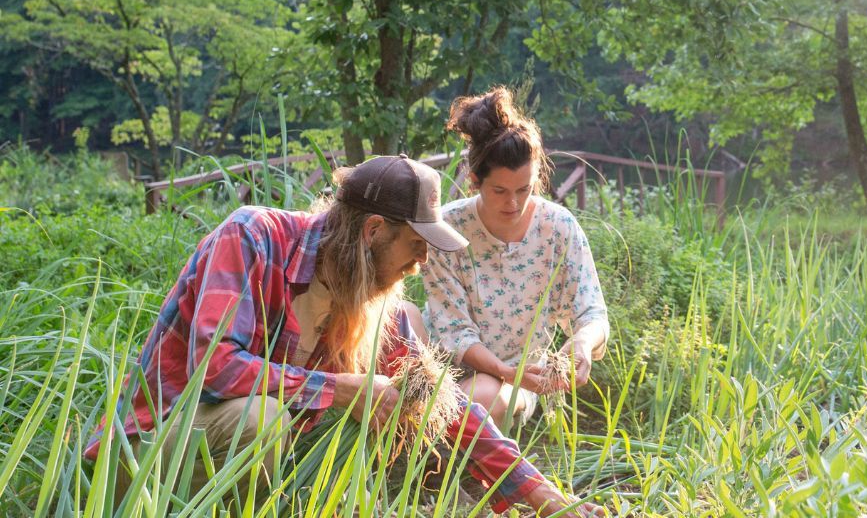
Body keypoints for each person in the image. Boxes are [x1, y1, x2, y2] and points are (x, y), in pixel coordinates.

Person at [85, 153, 603, 517]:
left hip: (233, 471)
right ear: (373, 230)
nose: (421, 265)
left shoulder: (371, 300)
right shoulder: (252, 237)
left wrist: (548, 499)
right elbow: (215, 368)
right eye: (416, 246)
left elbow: (454, 408)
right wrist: (342, 390)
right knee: (261, 418)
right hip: (143, 458)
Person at [421, 87, 610, 429]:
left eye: (524, 190)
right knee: (399, 315)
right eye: (500, 191)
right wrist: (503, 370)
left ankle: (453, 456)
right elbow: (455, 332)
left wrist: (581, 343)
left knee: (485, 396)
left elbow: (592, 312)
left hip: (517, 381)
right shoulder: (448, 229)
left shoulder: (558, 227)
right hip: (442, 366)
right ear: (475, 180)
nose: (513, 203)